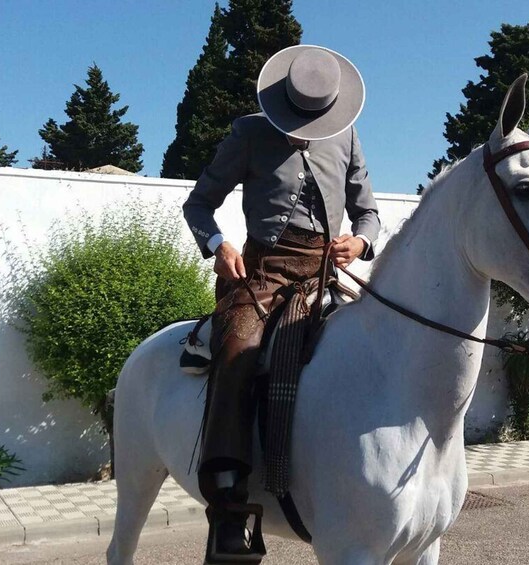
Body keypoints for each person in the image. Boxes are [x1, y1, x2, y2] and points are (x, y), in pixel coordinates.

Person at [182, 44, 380, 562]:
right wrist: (216, 245)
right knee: (238, 350)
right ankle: (229, 503)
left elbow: (368, 213)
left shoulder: (347, 135)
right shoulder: (249, 133)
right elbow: (198, 203)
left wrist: (359, 243)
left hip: (326, 271)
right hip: (263, 272)